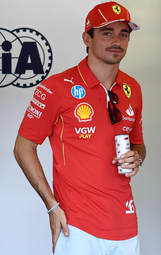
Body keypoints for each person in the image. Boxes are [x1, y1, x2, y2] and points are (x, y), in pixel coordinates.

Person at [13, 2, 145, 255]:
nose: (117, 40)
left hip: (126, 224)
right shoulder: (56, 88)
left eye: (123, 34)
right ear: (87, 37)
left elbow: (139, 144)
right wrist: (52, 206)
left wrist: (137, 156)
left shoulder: (133, 88)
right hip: (77, 227)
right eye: (107, 33)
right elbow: (23, 148)